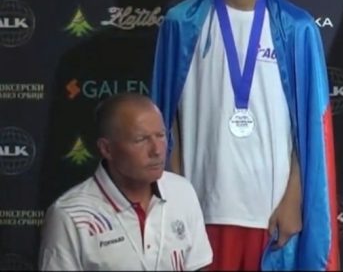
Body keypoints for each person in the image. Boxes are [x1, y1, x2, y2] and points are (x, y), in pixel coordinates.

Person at [150, 0, 339, 271]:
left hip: (270, 213)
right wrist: (175, 197)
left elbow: (310, 128)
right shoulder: (182, 23)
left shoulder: (296, 28)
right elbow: (164, 120)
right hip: (200, 209)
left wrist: (294, 198)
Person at [38, 93, 213, 271]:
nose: (157, 150)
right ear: (107, 149)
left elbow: (198, 266)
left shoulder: (182, 191)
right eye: (141, 140)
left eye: (160, 135)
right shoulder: (70, 215)